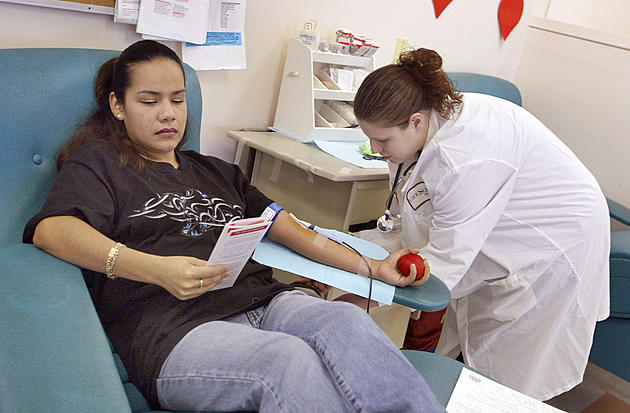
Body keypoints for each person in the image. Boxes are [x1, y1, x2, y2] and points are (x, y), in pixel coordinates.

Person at [22, 40, 444, 413]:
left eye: (177, 99)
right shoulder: (99, 163)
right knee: (287, 361)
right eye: (149, 101)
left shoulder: (216, 171)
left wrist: (371, 268)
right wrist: (156, 269)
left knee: (347, 323)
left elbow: (296, 234)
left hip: (263, 301)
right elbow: (53, 230)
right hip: (173, 329)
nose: (168, 114)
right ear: (118, 106)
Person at [352, 47, 610, 401]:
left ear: (415, 120)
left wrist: (365, 295)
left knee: (505, 373)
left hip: (552, 240)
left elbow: (440, 269)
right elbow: (417, 222)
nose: (375, 147)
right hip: (505, 219)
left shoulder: (461, 159)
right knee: (470, 342)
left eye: (382, 140)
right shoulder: (423, 127)